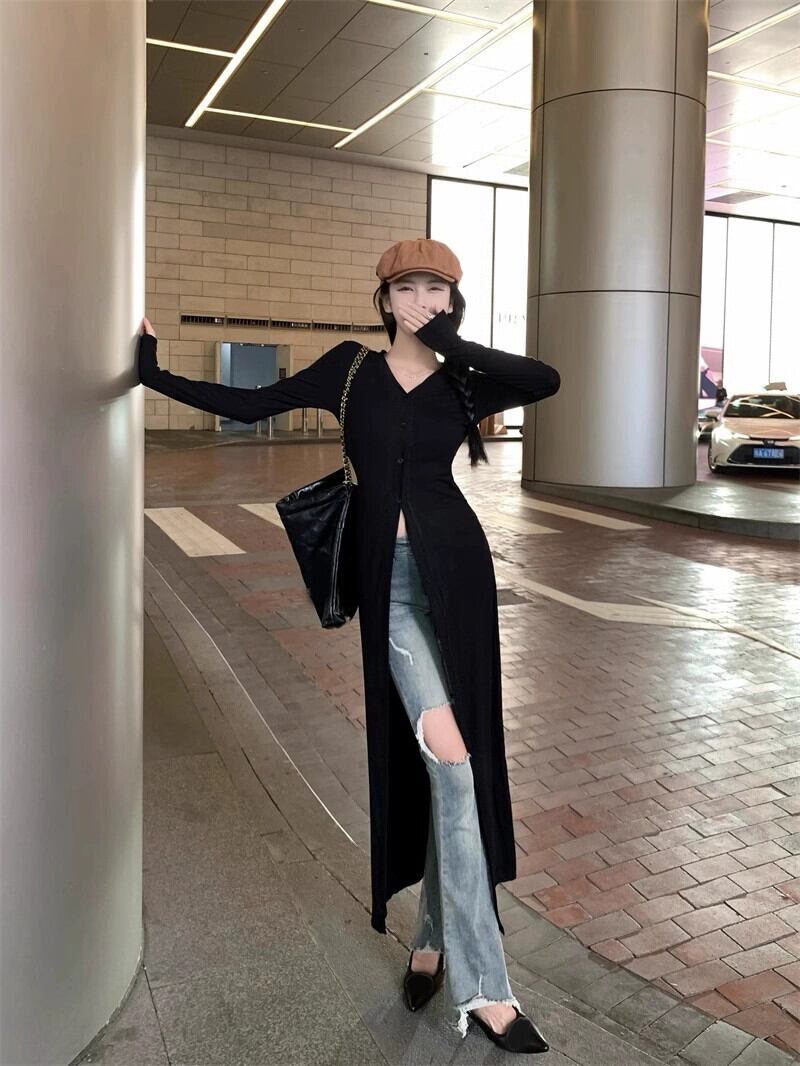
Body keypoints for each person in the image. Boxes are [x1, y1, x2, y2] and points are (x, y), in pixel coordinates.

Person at [137, 237, 560, 1053]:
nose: (421, 300)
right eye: (407, 287)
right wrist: (150, 370)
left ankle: (432, 943)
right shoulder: (350, 370)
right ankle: (487, 990)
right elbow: (247, 405)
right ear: (384, 298)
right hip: (391, 592)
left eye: (436, 288)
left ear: (452, 299)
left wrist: (454, 344)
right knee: (452, 767)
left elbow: (544, 380)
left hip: (461, 584)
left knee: (455, 775)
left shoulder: (465, 377)